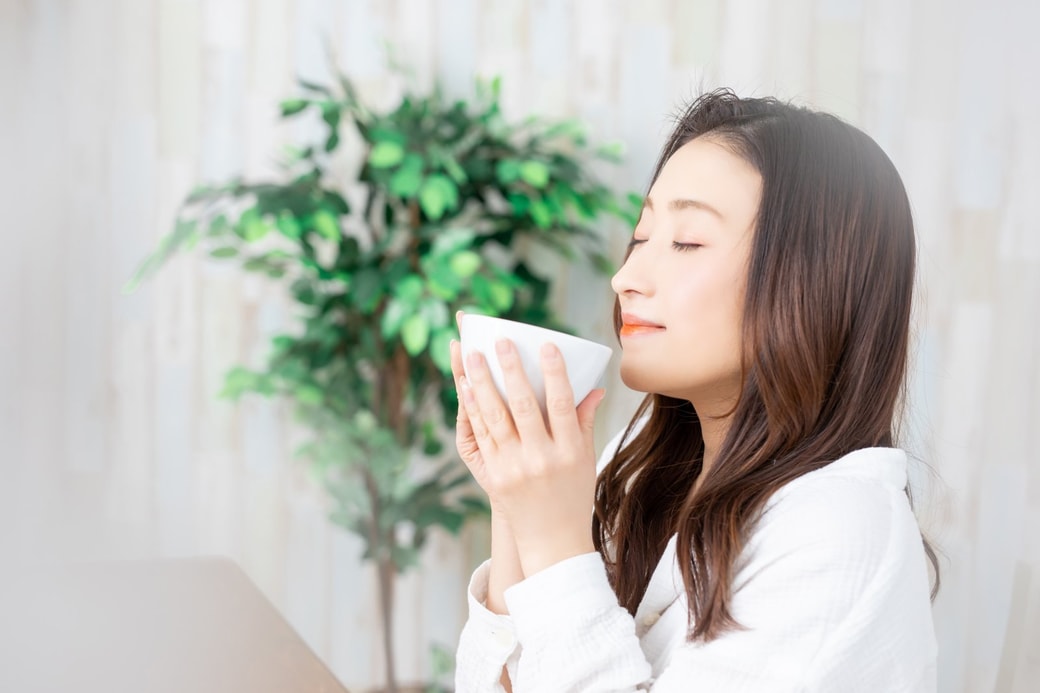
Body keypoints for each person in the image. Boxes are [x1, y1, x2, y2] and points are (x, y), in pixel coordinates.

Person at [449, 89, 939, 692]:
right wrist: (517, 503)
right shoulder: (646, 478)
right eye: (640, 236)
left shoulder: (841, 527)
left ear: (809, 282)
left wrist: (552, 539)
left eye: (686, 242)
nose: (624, 278)